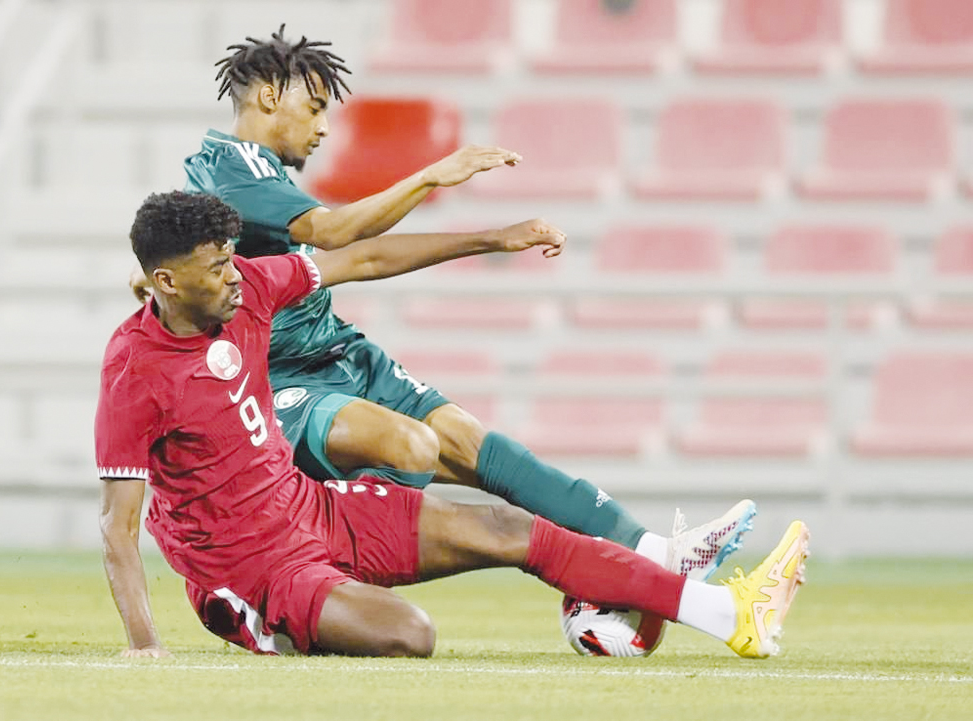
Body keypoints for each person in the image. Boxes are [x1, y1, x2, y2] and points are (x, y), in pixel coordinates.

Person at [130, 26, 757, 581]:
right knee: (411, 447)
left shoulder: (260, 178)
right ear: (269, 96)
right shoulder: (231, 172)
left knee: (472, 444)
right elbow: (338, 234)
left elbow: (365, 258)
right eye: (315, 107)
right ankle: (311, 573)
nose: (323, 127)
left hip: (340, 355)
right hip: (280, 383)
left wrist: (490, 238)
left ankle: (654, 554)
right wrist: (431, 175)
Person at [100, 192, 809, 659]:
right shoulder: (135, 372)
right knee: (411, 635)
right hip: (250, 566)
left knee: (508, 527)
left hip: (311, 509)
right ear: (166, 282)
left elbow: (364, 257)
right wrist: (143, 643)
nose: (234, 274)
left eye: (231, 258)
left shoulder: (248, 288)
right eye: (216, 266)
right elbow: (118, 526)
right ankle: (267, 623)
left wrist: (491, 239)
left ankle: (731, 613)